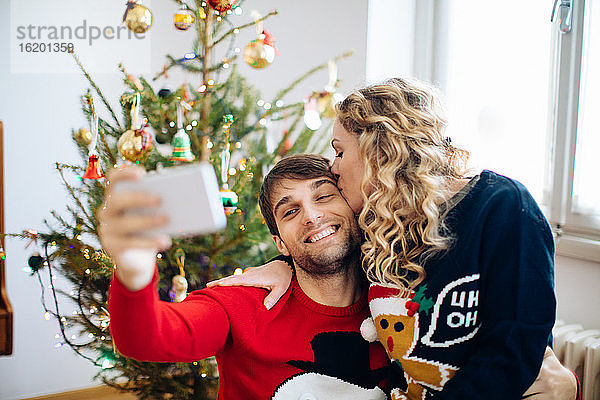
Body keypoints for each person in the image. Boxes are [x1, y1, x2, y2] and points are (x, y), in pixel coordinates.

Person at [208, 78, 580, 400]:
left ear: (379, 148)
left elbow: (514, 350)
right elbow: (320, 247)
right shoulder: (379, 224)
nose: (333, 168)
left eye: (339, 152)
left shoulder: (504, 208)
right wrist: (281, 266)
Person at [101, 155, 392, 400]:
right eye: (290, 211)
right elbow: (147, 338)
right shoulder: (240, 300)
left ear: (355, 209)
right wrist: (134, 269)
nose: (311, 216)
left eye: (324, 196)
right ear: (280, 244)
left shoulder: (397, 298)